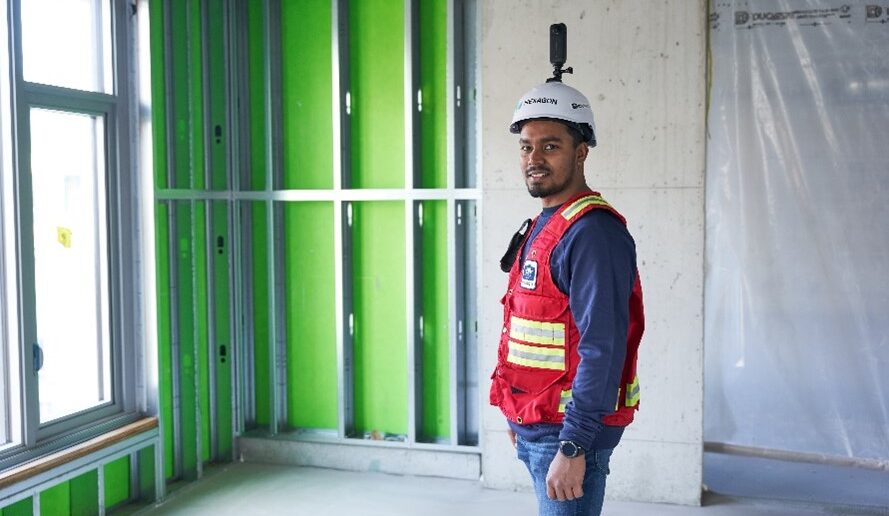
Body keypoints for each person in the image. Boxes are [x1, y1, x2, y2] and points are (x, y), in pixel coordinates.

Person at [489, 80, 645, 516]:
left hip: (569, 434)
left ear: (581, 152)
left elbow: (602, 347)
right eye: (525, 147)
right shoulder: (545, 223)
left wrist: (574, 445)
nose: (533, 159)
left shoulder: (593, 233)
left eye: (550, 146)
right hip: (538, 424)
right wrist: (514, 411)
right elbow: (528, 331)